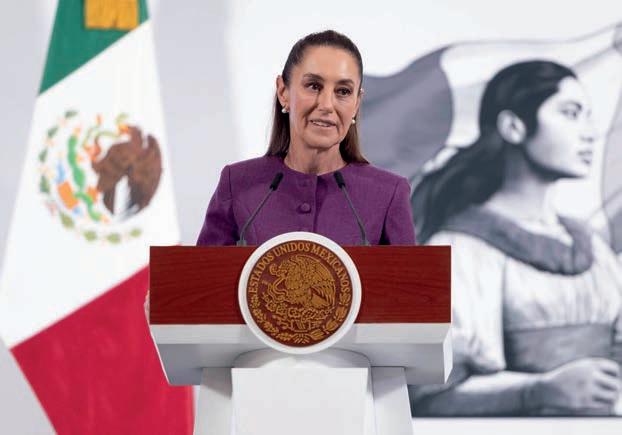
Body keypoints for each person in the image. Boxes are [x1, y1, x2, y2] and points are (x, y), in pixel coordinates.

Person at [410, 60, 622, 416]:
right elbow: (431, 391)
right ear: (513, 126)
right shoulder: (460, 249)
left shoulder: (593, 249)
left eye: (588, 116)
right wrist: (539, 391)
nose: (589, 133)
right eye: (570, 114)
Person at [196, 30, 415, 247]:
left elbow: (408, 271)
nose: (327, 105)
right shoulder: (237, 183)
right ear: (283, 91)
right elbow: (203, 269)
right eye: (313, 86)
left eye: (343, 91)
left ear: (357, 103)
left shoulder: (389, 193)